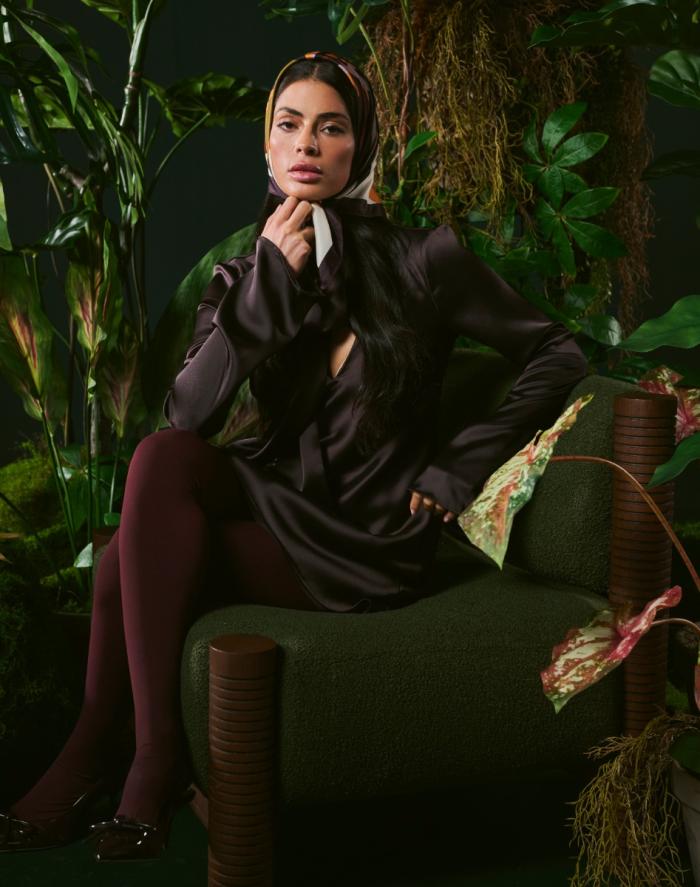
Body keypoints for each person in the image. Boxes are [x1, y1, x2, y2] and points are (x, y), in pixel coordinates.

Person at [0, 49, 588, 861]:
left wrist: (459, 465)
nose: (307, 142)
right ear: (268, 147)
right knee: (159, 466)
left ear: (361, 147)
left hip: (368, 542)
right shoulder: (241, 274)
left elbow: (558, 353)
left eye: (331, 127)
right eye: (289, 125)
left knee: (119, 562)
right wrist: (267, 289)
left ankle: (119, 757)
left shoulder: (427, 260)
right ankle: (136, 756)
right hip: (275, 507)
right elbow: (186, 415)